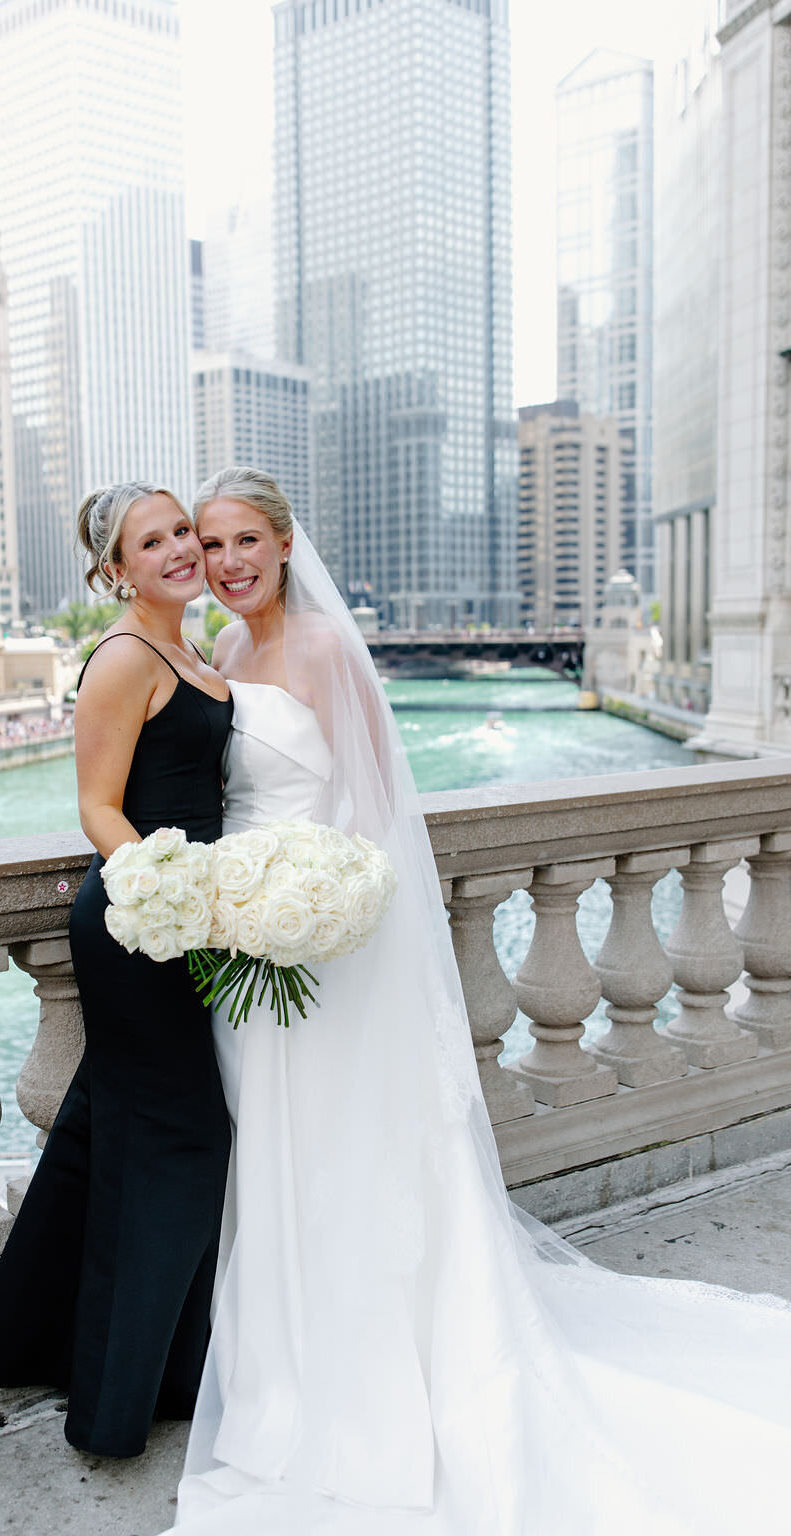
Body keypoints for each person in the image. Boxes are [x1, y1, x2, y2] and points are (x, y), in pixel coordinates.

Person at [169, 465, 791, 1535]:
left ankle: (386, 1378)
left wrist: (311, 912)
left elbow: (372, 810)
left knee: (345, 1150)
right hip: (249, 946)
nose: (225, 564)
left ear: (281, 543)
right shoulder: (223, 651)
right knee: (278, 1153)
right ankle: (294, 1364)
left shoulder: (322, 648)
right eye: (208, 545)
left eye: (242, 543)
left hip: (322, 947)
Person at [0, 482, 232, 1458]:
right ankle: (118, 1407)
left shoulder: (193, 651)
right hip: (140, 919)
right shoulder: (121, 657)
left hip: (191, 915)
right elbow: (97, 807)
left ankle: (31, 1344)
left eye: (179, 532)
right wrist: (170, 900)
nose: (175, 550)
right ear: (115, 570)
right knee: (185, 1140)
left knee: (109, 1132)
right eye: (147, 542)